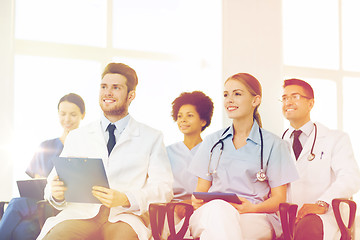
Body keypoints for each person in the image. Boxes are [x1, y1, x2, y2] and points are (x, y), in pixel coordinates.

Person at [37, 62, 173, 240]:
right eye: (104, 87)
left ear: (131, 95)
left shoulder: (151, 137)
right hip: (80, 214)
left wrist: (126, 198)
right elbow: (52, 184)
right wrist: (56, 193)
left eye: (116, 88)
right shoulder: (77, 136)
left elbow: (164, 188)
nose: (108, 93)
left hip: (123, 217)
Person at [188, 73, 299, 240]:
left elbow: (279, 199)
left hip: (255, 216)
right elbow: (201, 190)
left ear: (255, 101)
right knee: (219, 211)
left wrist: (253, 208)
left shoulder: (275, 145)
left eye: (237, 94)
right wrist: (196, 200)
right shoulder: (212, 141)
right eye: (226, 95)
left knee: (219, 227)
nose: (229, 100)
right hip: (211, 212)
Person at [281, 78, 360, 240]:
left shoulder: (336, 138)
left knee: (308, 228)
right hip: (288, 217)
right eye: (284, 98)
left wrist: (322, 203)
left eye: (294, 97)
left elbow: (351, 177)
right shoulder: (278, 143)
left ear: (311, 104)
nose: (288, 102)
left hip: (326, 216)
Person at [0, 93, 85, 240]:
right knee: (24, 229)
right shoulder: (46, 146)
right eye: (63, 114)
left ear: (82, 115)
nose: (67, 119)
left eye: (73, 114)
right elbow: (35, 179)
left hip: (66, 207)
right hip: (39, 204)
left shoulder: (86, 148)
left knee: (17, 207)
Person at [167, 91, 214, 202]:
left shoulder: (212, 151)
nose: (183, 120)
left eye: (190, 115)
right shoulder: (167, 152)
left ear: (203, 121)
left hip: (202, 205)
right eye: (179, 116)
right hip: (172, 208)